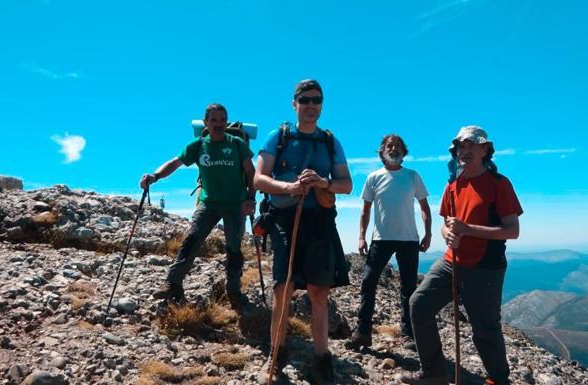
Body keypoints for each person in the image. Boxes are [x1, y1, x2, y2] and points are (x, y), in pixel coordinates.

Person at [401, 126, 522, 385]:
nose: (465, 151)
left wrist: (468, 230)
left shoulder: (499, 184)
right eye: (461, 147)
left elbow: (512, 231)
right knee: (419, 305)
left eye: (472, 146)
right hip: (451, 261)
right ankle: (433, 373)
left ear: (485, 150)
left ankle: (498, 380)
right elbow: (447, 221)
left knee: (484, 328)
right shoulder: (454, 184)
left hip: (485, 267)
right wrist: (447, 233)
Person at [254, 79, 352, 385]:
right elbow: (258, 179)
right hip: (284, 217)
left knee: (318, 291)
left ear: (321, 104)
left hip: (319, 220)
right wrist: (290, 187)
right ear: (294, 103)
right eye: (305, 100)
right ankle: (277, 354)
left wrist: (322, 183)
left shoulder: (330, 141)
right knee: (282, 288)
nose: (311, 105)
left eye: (316, 100)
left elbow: (346, 185)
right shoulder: (279, 136)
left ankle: (322, 359)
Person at [140, 103, 256, 311]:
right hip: (208, 203)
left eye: (222, 120)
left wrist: (250, 198)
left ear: (226, 122)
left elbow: (250, 172)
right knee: (191, 240)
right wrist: (155, 176)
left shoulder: (237, 144)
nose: (218, 124)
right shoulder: (198, 145)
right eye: (214, 120)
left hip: (235, 205)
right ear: (206, 123)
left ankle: (234, 291)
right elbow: (175, 163)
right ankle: (173, 284)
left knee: (234, 249)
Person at [346, 134, 431, 351]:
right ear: (382, 151)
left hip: (408, 240)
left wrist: (428, 233)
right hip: (380, 239)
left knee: (409, 288)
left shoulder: (412, 176)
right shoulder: (374, 177)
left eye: (398, 146)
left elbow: (424, 207)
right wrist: (361, 236)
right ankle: (363, 332)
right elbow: (365, 210)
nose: (393, 149)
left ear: (404, 152)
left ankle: (408, 334)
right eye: (389, 146)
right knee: (368, 282)